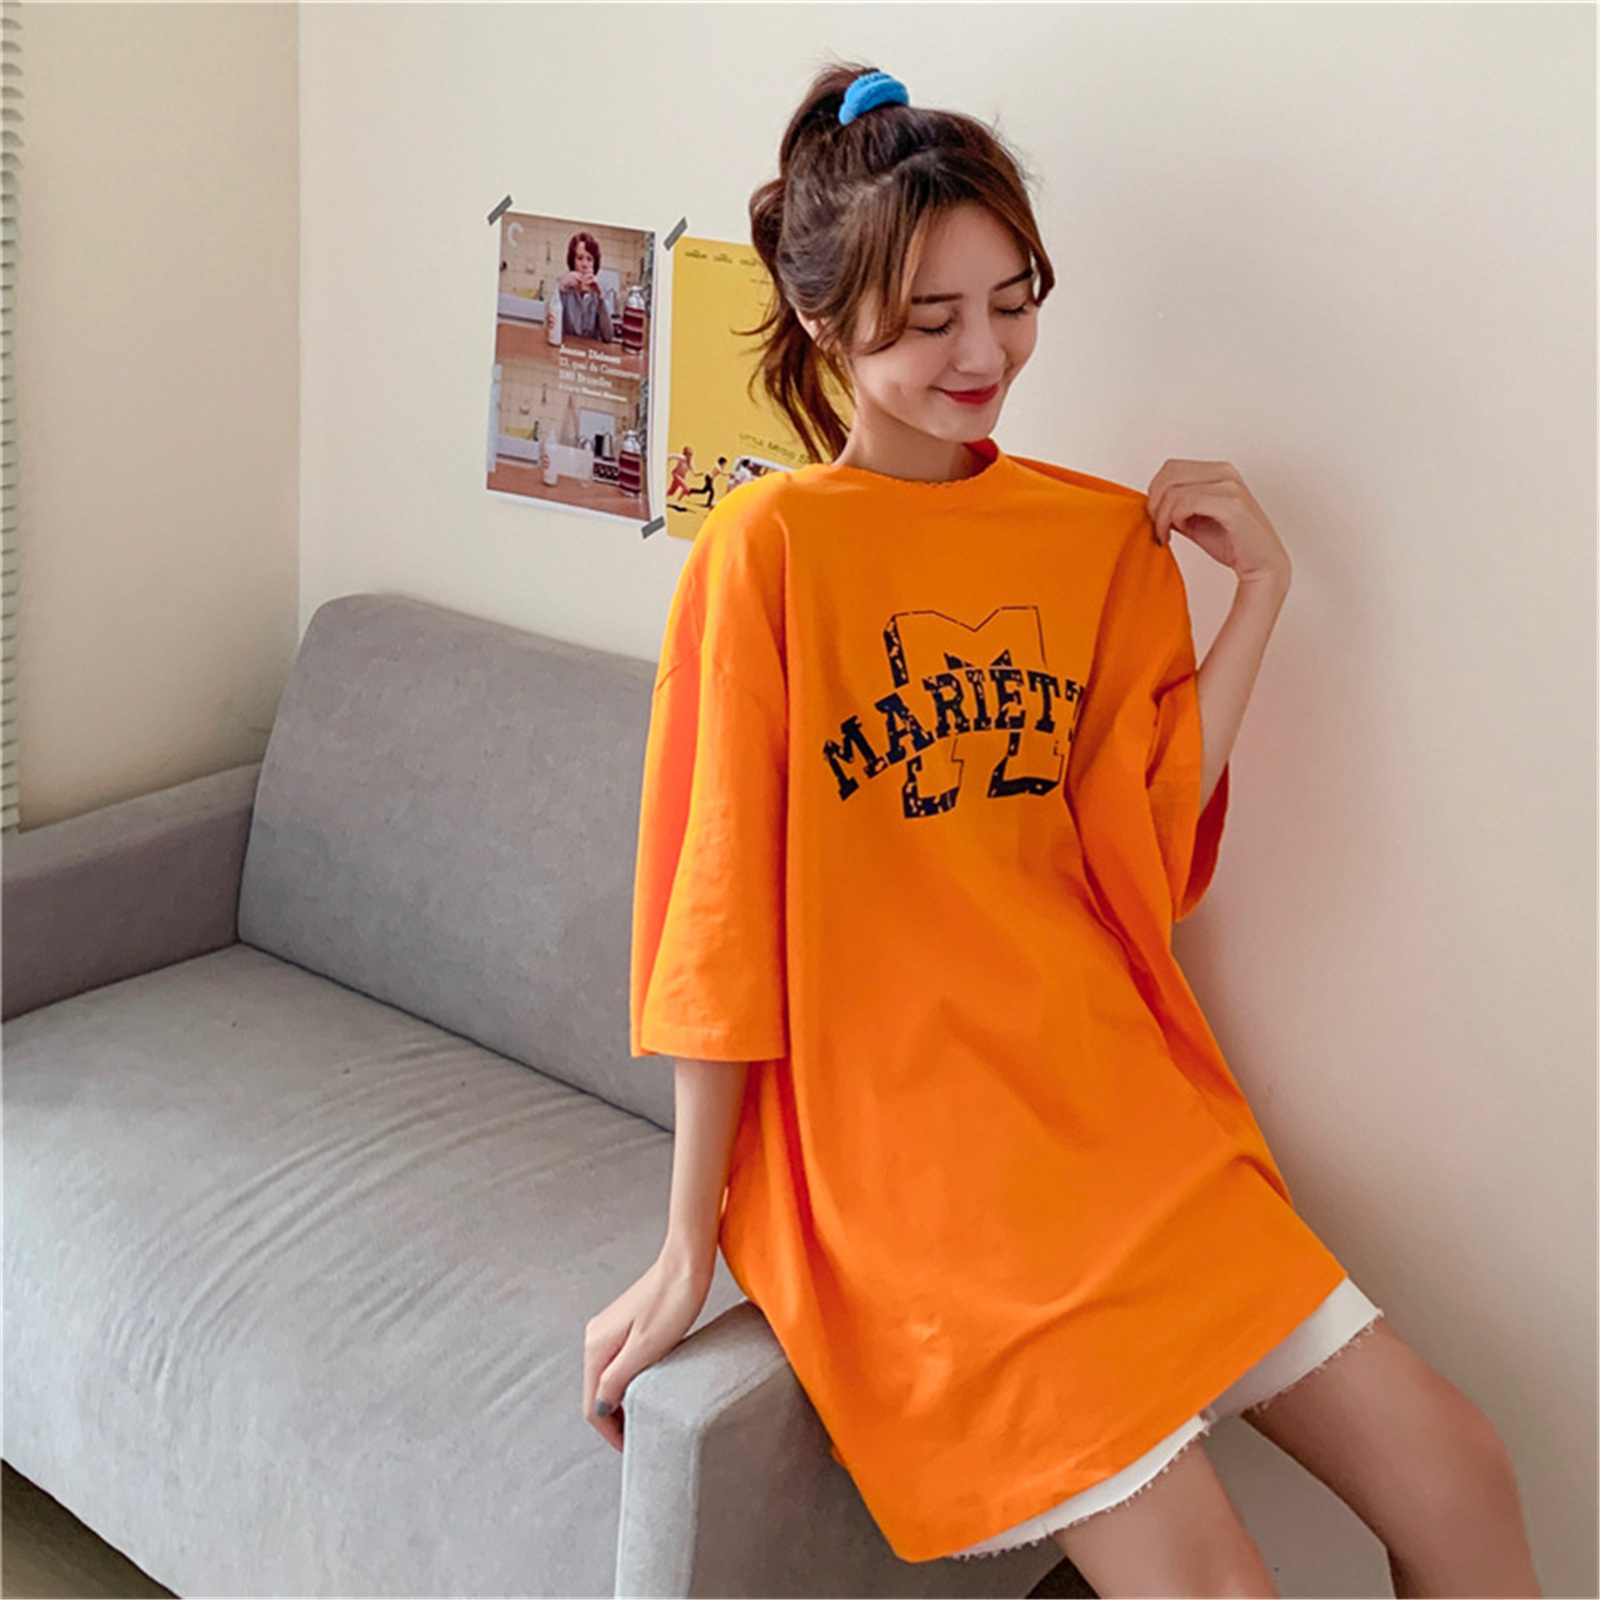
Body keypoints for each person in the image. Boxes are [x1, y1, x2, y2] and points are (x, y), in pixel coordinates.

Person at [583, 61, 1542, 1598]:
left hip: (1110, 1108)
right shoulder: (768, 554)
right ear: (826, 324)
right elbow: (717, 921)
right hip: (912, 1169)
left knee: (1463, 1475)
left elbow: (1137, 846)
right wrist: (688, 1238)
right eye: (932, 319)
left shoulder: (1081, 540)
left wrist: (1261, 597)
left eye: (1013, 301)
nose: (987, 354)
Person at [558, 230, 614, 343]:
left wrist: (601, 299)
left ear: (594, 264)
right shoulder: (562, 284)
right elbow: (549, 326)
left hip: (592, 351)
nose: (584, 264)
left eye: (589, 259)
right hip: (566, 348)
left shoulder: (604, 290)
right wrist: (560, 291)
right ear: (573, 262)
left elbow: (608, 337)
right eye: (580, 258)